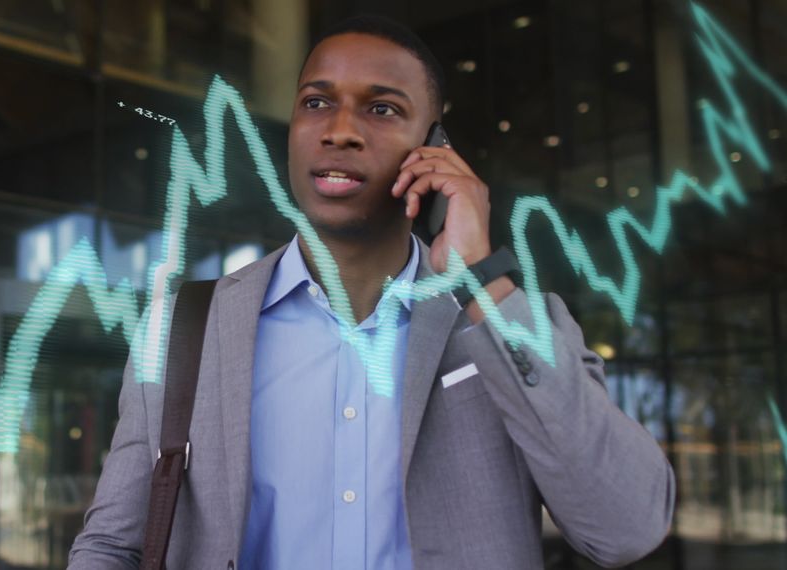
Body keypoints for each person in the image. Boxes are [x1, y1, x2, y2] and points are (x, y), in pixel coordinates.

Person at [69, 14, 675, 570]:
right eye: (316, 103)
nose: (339, 131)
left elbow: (626, 528)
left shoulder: (510, 320)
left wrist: (479, 280)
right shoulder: (184, 328)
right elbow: (112, 546)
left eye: (381, 109)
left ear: (434, 145)